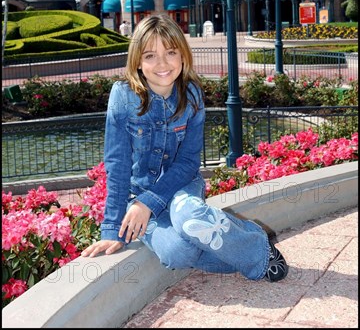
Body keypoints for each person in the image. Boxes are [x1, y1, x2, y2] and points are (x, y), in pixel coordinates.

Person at [81, 15, 288, 282]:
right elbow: (117, 164)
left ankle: (257, 249)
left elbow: (189, 161)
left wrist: (149, 203)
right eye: (150, 55)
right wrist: (112, 229)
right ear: (138, 62)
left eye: (170, 52)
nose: (163, 64)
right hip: (138, 195)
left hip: (182, 187)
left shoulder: (191, 94)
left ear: (182, 55)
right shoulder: (122, 96)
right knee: (177, 253)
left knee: (190, 218)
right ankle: (245, 236)